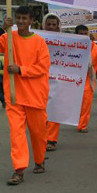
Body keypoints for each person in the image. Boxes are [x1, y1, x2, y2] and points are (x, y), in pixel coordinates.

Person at [0, 6, 50, 185]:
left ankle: (39, 160)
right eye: (18, 18)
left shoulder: (39, 42)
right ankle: (19, 169)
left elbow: (43, 67)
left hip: (35, 96)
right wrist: (3, 28)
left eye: (24, 18)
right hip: (14, 95)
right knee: (16, 134)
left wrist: (20, 69)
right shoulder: (8, 38)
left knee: (38, 133)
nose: (20, 21)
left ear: (31, 21)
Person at [75, 25, 97, 133]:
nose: (83, 36)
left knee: (86, 104)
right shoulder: (71, 46)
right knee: (76, 105)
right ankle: (77, 121)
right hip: (73, 81)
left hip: (88, 81)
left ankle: (82, 125)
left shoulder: (94, 47)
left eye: (85, 34)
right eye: (80, 34)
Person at [42, 14, 62, 152]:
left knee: (55, 109)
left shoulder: (66, 40)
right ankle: (42, 137)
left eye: (54, 25)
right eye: (48, 24)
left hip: (59, 80)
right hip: (40, 79)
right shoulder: (37, 39)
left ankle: (52, 139)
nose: (51, 27)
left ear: (58, 26)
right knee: (42, 111)